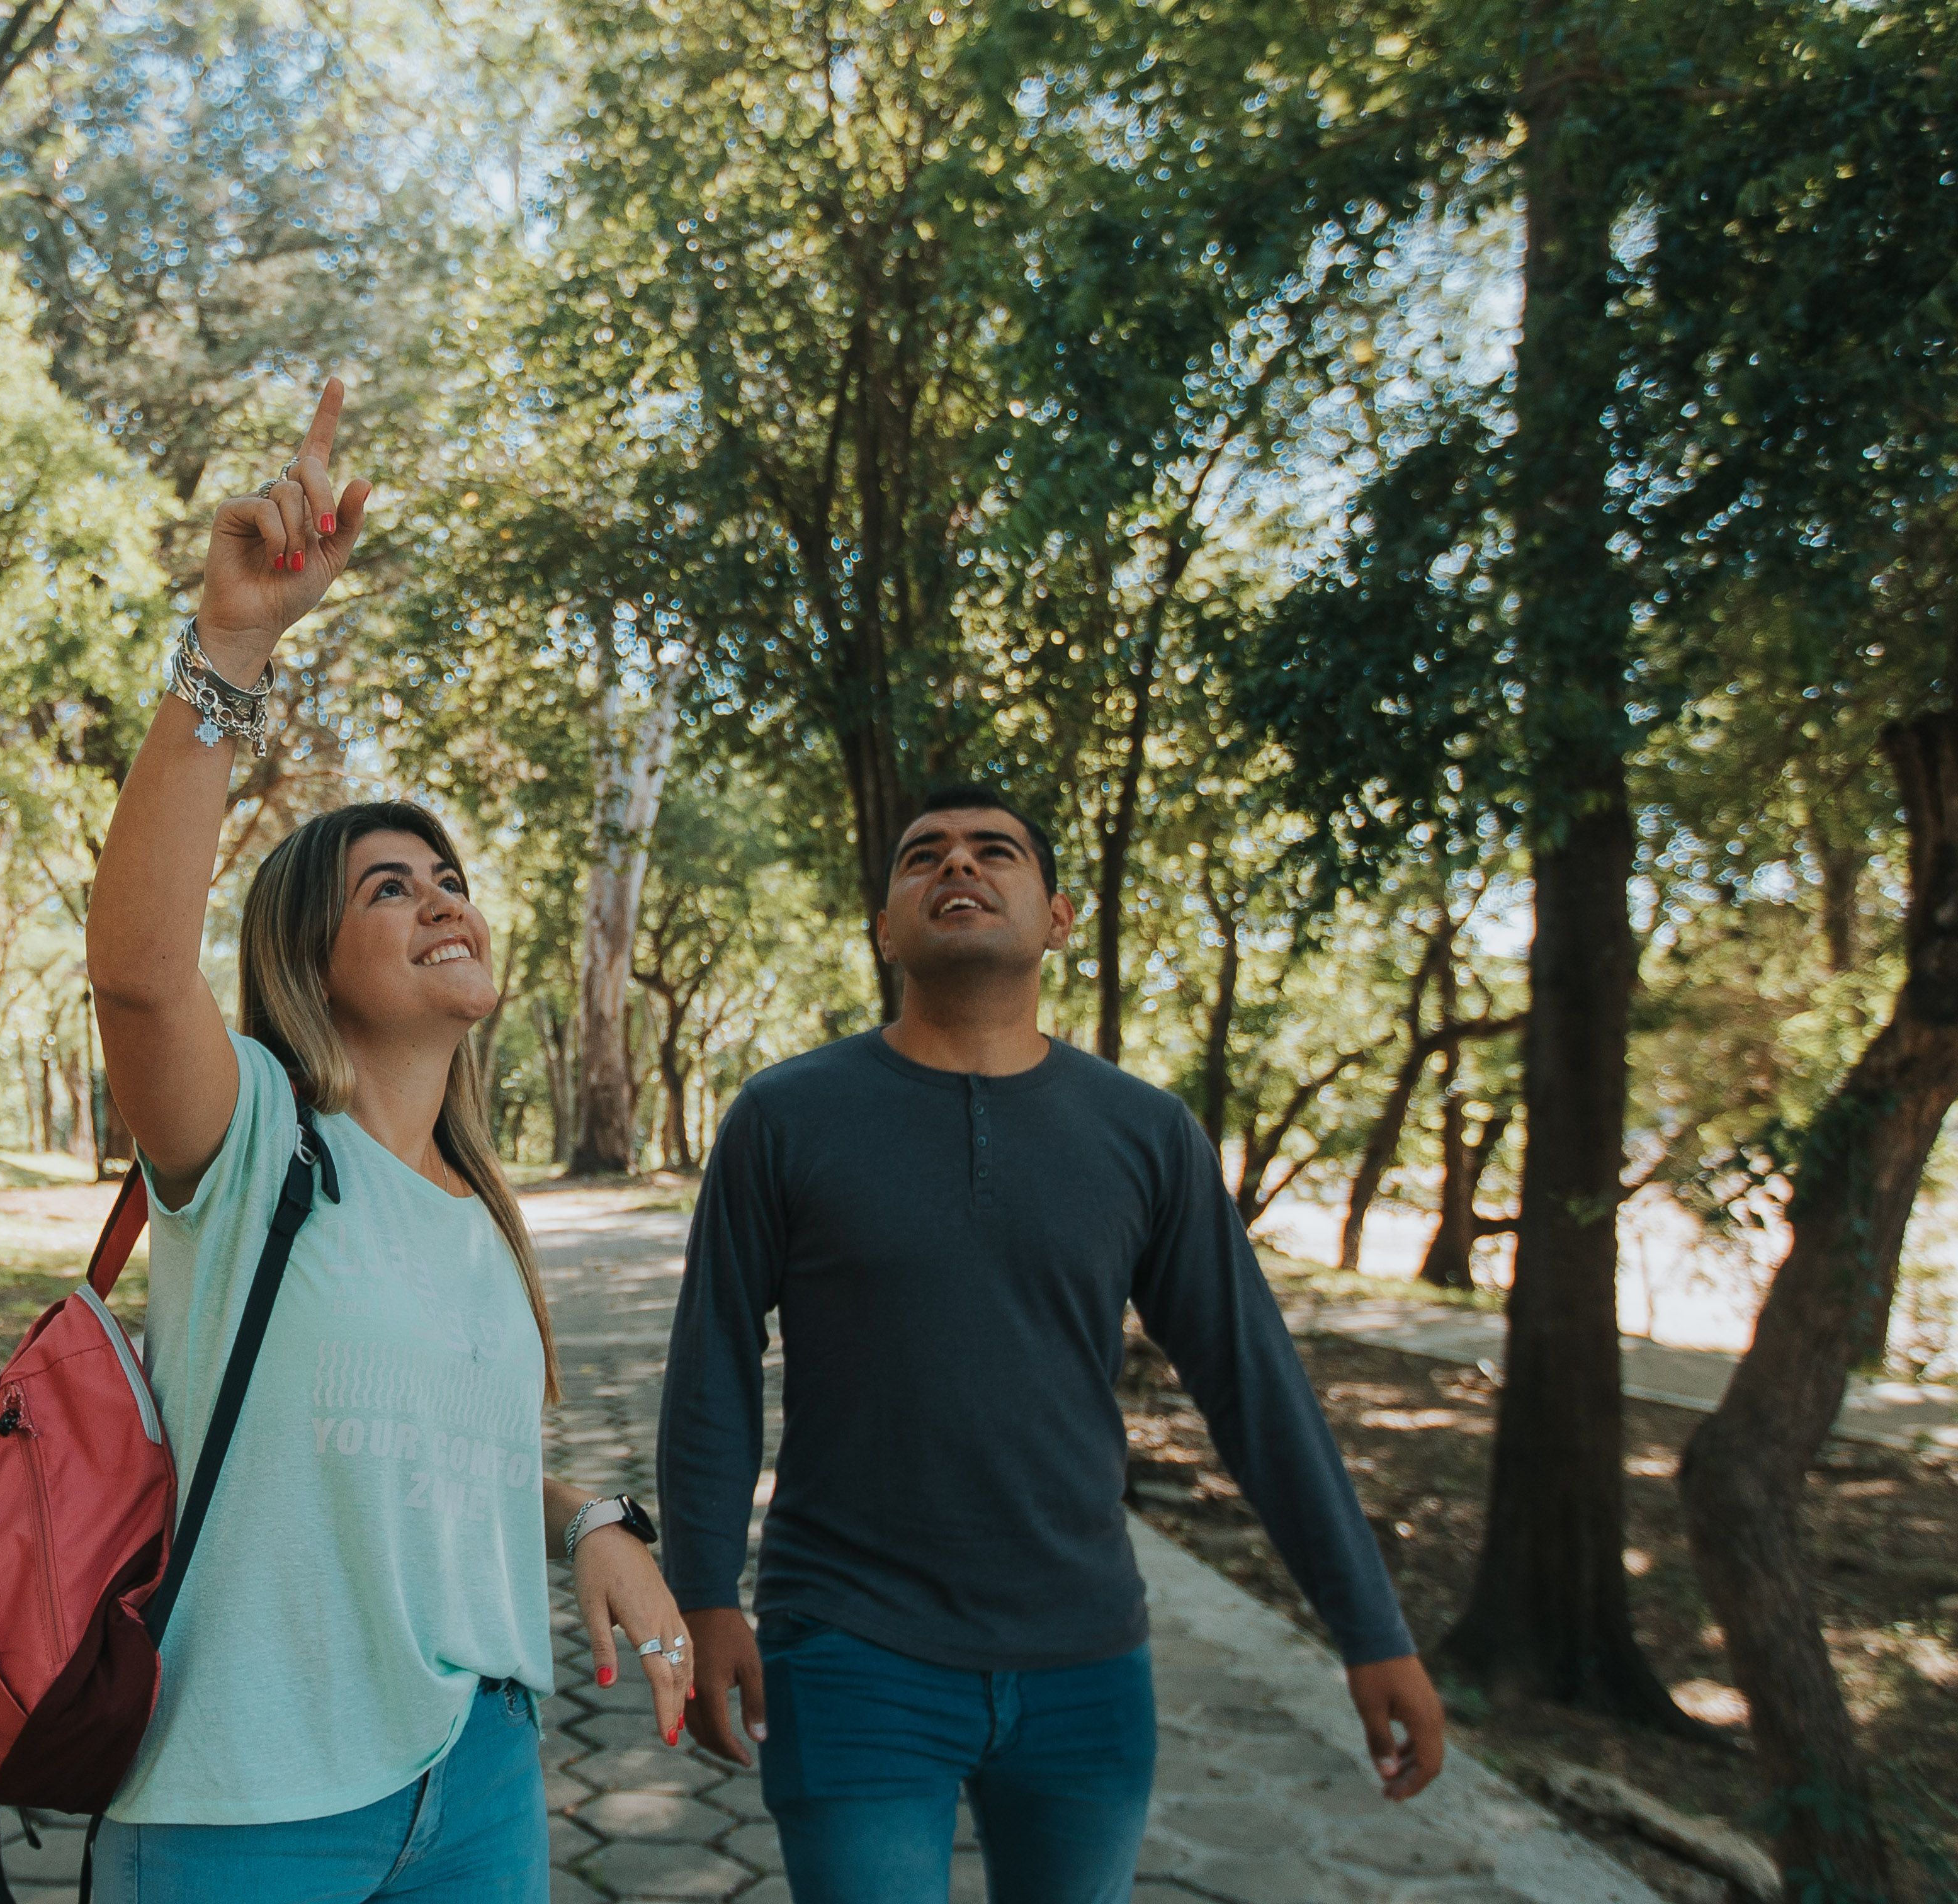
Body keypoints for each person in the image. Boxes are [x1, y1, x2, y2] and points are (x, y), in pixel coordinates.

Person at [84, 377, 695, 1903]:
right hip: (247, 1800)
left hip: (478, 1777)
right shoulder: (249, 1145)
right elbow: (138, 970)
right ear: (309, 955)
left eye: (447, 874)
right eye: (386, 887)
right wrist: (235, 645)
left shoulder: (479, 1211)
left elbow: (438, 1458)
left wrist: (591, 1523)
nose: (439, 897)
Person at [655, 786, 1450, 1903]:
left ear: (1060, 915)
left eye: (996, 852)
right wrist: (703, 1593)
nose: (958, 867)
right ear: (886, 927)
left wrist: (1372, 1631)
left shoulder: (1147, 1134)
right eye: (923, 856)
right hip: (850, 1651)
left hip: (1086, 1663)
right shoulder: (785, 1117)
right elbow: (714, 1376)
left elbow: (1256, 1390)